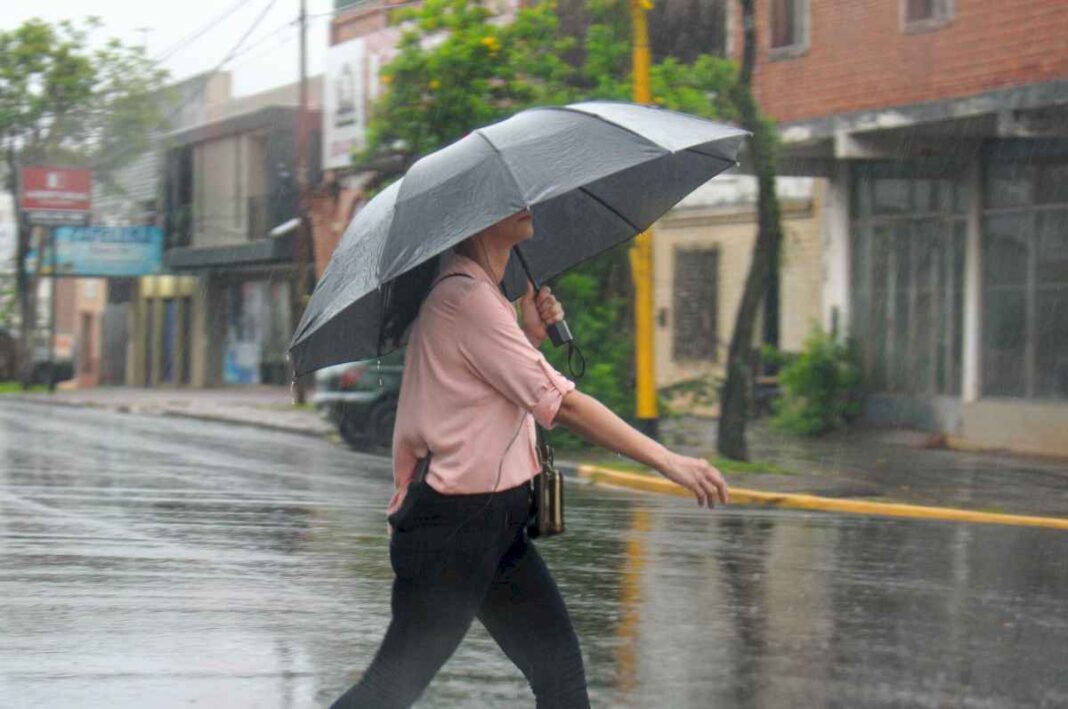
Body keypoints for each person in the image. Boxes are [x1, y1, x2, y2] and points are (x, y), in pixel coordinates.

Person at [330, 208, 729, 708]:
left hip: (491, 525)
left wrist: (530, 336)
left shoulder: (481, 296)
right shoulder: (464, 298)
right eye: (502, 201)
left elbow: (491, 394)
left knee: (558, 673)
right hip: (455, 529)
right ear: (475, 221)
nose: (523, 204)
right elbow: (563, 403)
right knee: (391, 687)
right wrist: (668, 461)